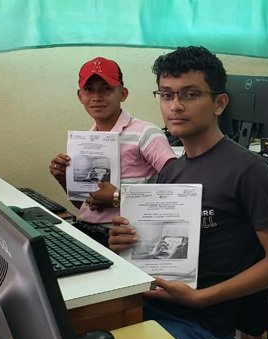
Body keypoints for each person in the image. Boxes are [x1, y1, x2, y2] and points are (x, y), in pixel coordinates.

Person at [108, 46, 268, 339]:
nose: (175, 106)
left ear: (219, 103)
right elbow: (159, 250)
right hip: (149, 307)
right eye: (166, 95)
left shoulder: (249, 170)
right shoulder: (172, 171)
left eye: (190, 94)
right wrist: (127, 243)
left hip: (202, 326)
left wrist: (203, 298)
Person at [49, 57, 177, 245]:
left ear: (123, 93)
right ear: (80, 96)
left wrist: (118, 198)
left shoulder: (146, 133)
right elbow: (85, 206)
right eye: (89, 90)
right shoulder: (86, 141)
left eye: (106, 89)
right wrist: (62, 178)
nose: (96, 97)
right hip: (87, 230)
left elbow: (178, 188)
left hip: (124, 238)